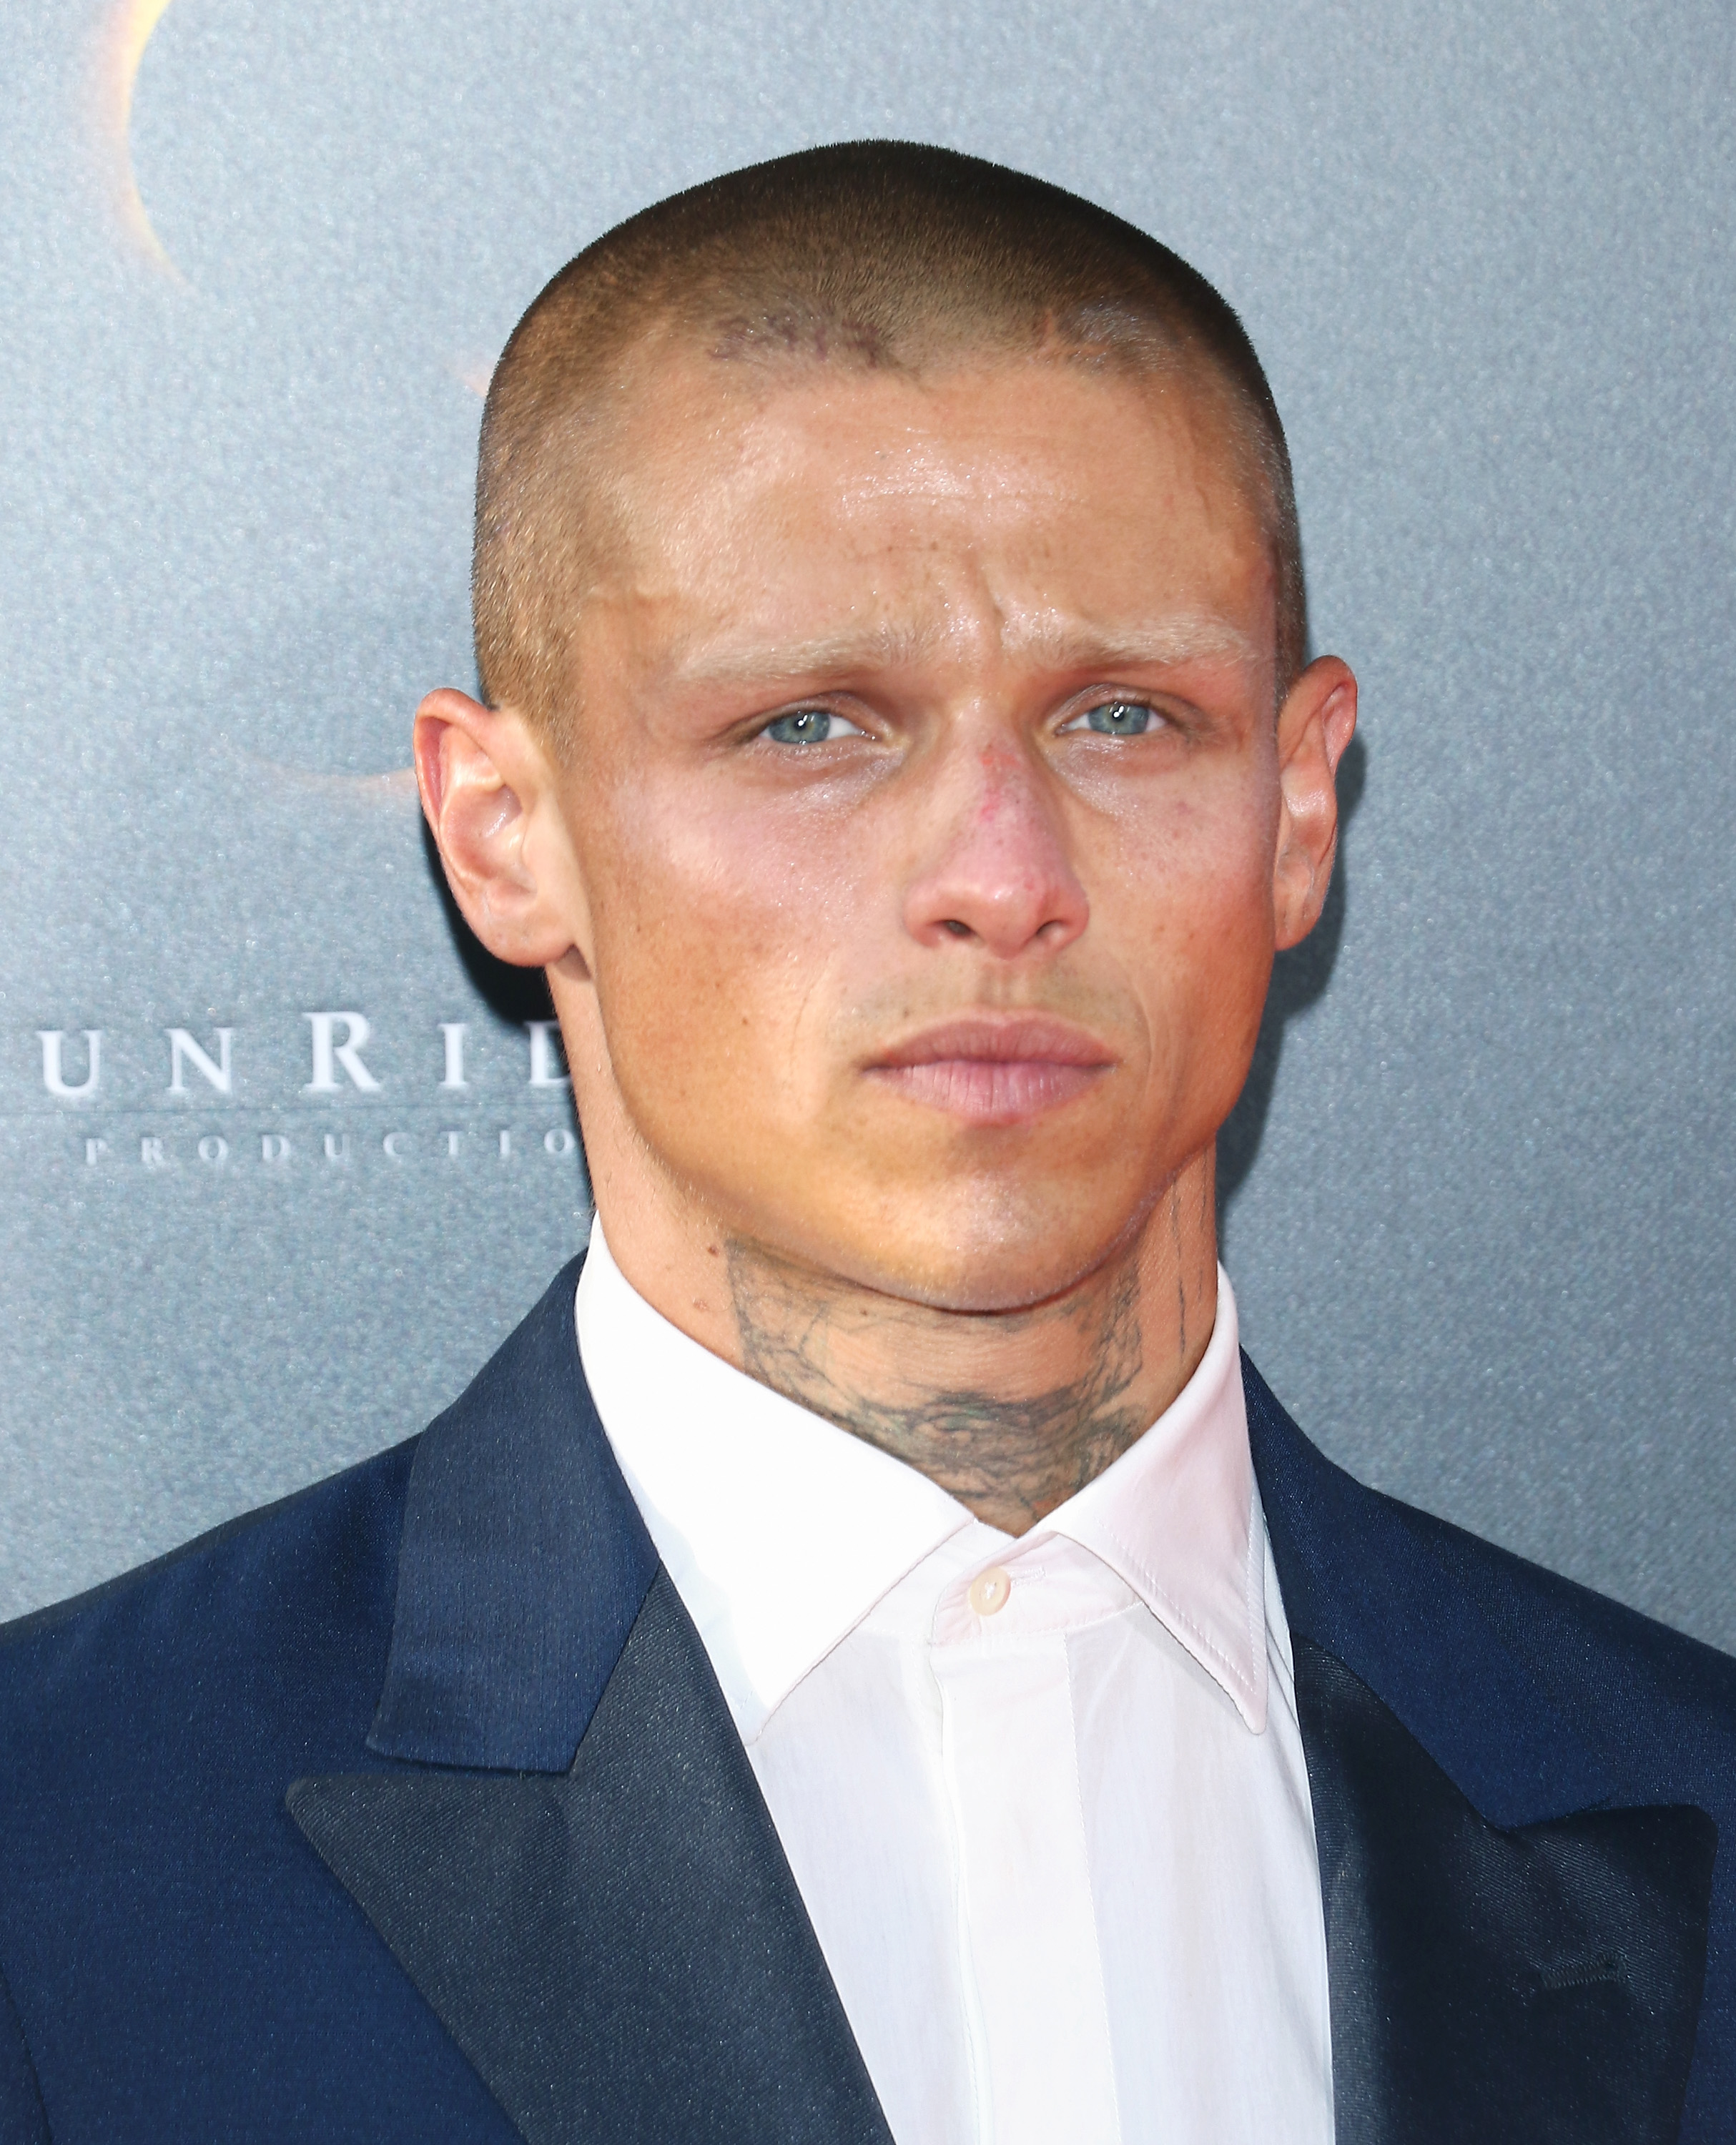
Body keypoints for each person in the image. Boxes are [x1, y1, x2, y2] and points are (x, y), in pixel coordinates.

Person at [0, 142, 1731, 2145]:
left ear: (1296, 802)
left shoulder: (1671, 1782)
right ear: (504, 832)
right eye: (812, 724)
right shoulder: (59, 1854)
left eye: (1122, 719)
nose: (999, 880)